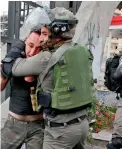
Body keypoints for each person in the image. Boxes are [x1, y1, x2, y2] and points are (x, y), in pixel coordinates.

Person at [8, 7, 94, 149]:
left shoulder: (48, 57)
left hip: (60, 132)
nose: (41, 38)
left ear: (56, 33)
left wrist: (18, 46)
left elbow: (15, 68)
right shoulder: (81, 50)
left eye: (44, 33)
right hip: (82, 125)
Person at [1, 27, 44, 149]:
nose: (32, 52)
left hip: (38, 126)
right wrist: (5, 70)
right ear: (25, 41)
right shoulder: (15, 59)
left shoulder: (45, 62)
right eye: (30, 45)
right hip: (13, 125)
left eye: (38, 49)